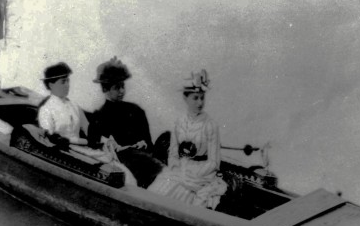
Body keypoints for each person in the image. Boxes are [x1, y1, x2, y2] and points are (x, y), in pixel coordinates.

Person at [148, 69, 228, 210]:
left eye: (202, 97)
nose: (200, 102)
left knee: (192, 200)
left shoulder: (210, 126)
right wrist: (179, 168)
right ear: (186, 98)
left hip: (202, 176)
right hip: (180, 171)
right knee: (159, 192)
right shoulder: (179, 123)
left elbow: (214, 162)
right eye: (195, 98)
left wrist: (195, 174)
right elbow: (173, 154)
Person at [87, 56, 164, 188]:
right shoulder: (98, 119)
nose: (122, 91)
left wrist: (144, 144)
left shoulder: (136, 111)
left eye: (123, 86)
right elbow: (97, 149)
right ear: (105, 89)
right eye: (117, 87)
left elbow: (149, 143)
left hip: (148, 163)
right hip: (126, 168)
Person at [37, 62, 88, 147]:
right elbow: (50, 139)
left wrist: (106, 141)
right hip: (61, 152)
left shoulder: (74, 106)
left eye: (68, 81)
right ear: (51, 85)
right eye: (63, 82)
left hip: (83, 150)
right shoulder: (46, 110)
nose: (67, 85)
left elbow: (88, 129)